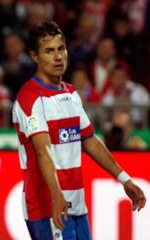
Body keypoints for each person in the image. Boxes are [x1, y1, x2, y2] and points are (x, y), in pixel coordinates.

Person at [12, 20, 146, 240]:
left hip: (76, 204)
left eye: (60, 49)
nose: (57, 57)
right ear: (34, 56)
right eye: (48, 51)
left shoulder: (71, 93)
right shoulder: (31, 98)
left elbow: (89, 139)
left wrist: (124, 179)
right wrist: (56, 197)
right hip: (47, 207)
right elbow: (42, 151)